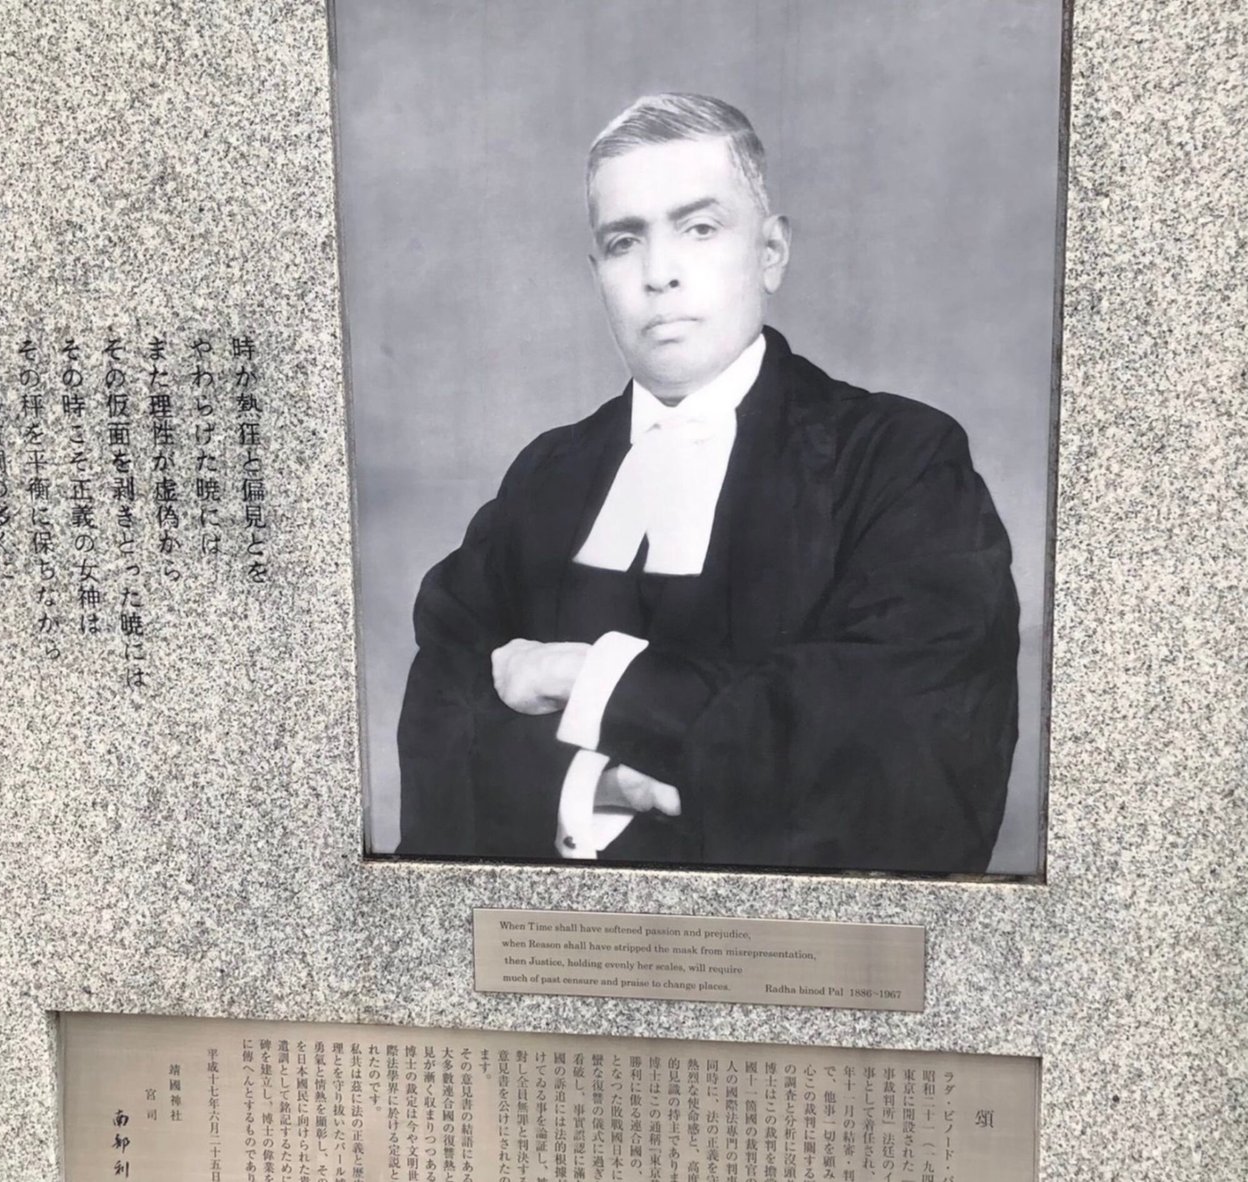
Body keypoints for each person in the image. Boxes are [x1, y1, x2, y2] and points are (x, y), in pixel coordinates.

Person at [395, 93, 1018, 873]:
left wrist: (591, 678)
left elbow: (907, 742)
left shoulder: (900, 460)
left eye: (699, 228)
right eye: (625, 242)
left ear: (771, 252)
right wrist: (605, 786)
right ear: (597, 274)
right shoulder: (544, 481)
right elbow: (443, 727)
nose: (660, 275)